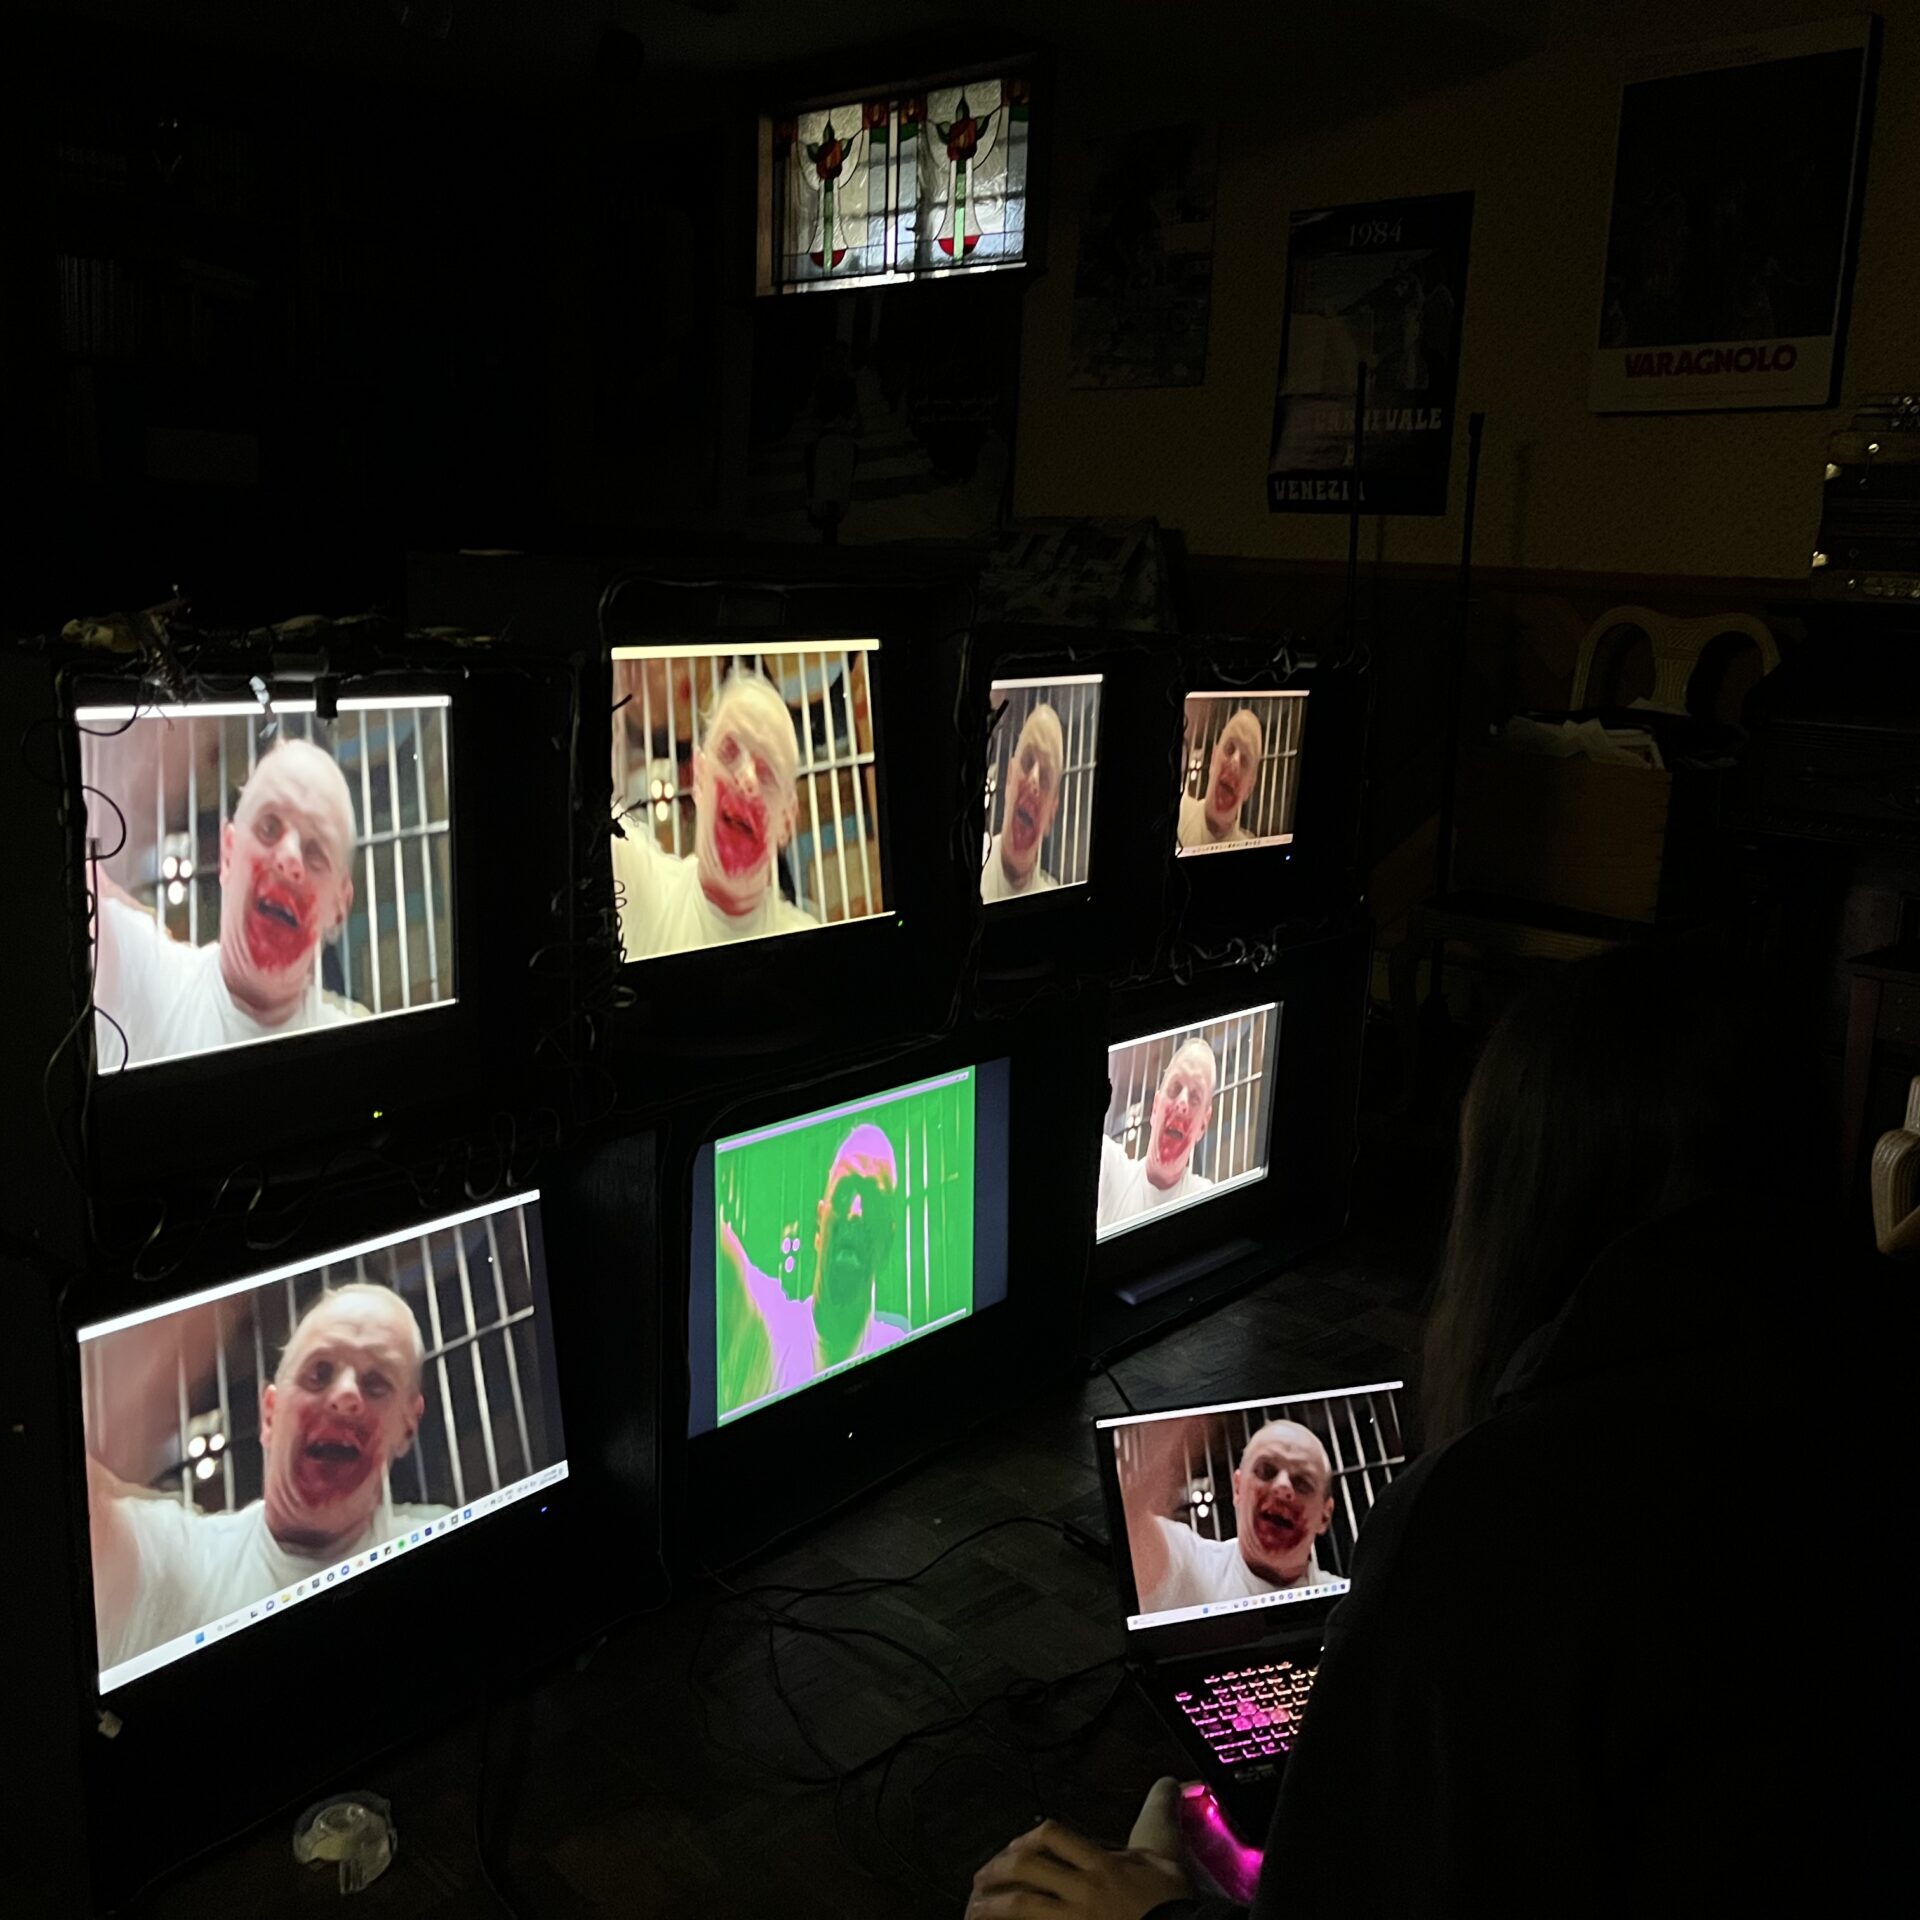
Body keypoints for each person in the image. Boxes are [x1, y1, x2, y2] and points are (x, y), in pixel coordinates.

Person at [967, 951, 1858, 1919]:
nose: (1278, 1492)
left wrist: (1152, 1912)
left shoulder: (1485, 1524)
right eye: (1263, 1472)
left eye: (1301, 1482)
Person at [88, 1284, 446, 1672]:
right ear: (270, 1414)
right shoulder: (180, 1563)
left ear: (408, 1426)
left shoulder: (440, 1543)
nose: (346, 1396)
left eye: (375, 1384)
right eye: (319, 1373)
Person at [92, 737, 369, 1068]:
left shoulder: (359, 1051)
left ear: (340, 907)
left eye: (316, 852)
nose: (289, 858)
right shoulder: (142, 982)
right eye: (269, 827)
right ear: (227, 853)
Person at [614, 669, 821, 960]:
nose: (746, 779)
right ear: (699, 777)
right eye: (729, 752)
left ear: (787, 820)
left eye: (766, 772)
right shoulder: (641, 892)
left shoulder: (811, 952)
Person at [718, 1121, 910, 1414]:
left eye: (872, 1200)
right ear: (819, 1225)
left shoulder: (898, 1346)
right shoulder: (767, 1330)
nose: (855, 1212)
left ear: (888, 1241)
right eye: (845, 1192)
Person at [1120, 1418, 1339, 1617]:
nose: (1282, 1487)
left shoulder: (1347, 1603)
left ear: (1325, 1515)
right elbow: (1128, 1523)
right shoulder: (1192, 1565)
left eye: (1302, 1483)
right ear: (1238, 1488)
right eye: (1266, 1471)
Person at [1098, 1039, 1216, 1230]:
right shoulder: (1111, 1170)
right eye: (1175, 1089)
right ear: (1155, 1107)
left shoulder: (1206, 1201)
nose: (1182, 1104)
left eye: (1195, 1098)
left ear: (1203, 1125)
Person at [982, 703, 1065, 902]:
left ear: (1051, 815)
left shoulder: (1053, 900)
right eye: (1027, 762)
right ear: (1009, 777)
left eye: (1045, 777)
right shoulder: (970, 862)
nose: (1033, 781)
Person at [1177, 705, 1263, 851]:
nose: (1234, 762)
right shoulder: (1179, 814)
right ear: (1213, 759)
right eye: (1229, 749)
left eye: (1244, 760)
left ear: (1249, 787)